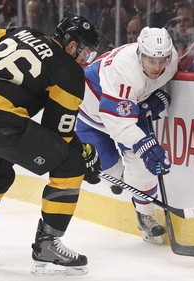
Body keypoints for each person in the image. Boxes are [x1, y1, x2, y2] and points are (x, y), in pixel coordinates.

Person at [0, 16, 101, 275]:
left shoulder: (21, 32)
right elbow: (58, 136)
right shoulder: (69, 73)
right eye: (87, 53)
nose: (86, 60)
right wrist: (83, 158)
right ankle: (47, 244)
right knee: (70, 165)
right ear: (71, 46)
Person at [76, 26, 178, 244]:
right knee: (110, 170)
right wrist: (146, 144)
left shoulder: (171, 61)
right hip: (89, 114)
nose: (158, 67)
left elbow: (147, 88)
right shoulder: (123, 70)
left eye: (162, 60)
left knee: (141, 166)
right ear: (139, 54)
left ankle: (145, 214)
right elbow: (118, 124)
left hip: (125, 109)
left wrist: (154, 98)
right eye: (151, 61)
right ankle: (128, 184)